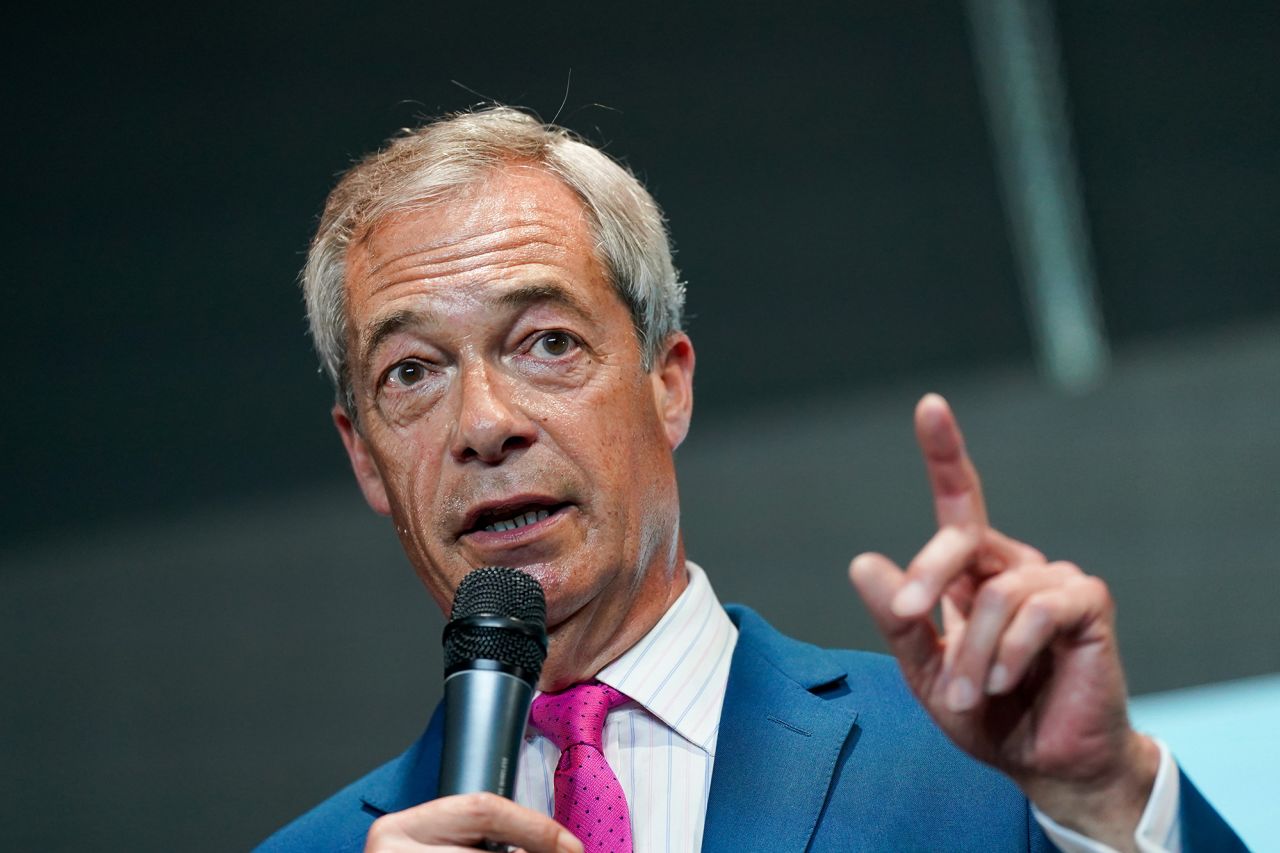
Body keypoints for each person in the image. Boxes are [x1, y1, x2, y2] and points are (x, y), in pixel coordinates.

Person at [257, 107, 1242, 853]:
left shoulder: (977, 768)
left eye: (545, 342)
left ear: (667, 383)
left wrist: (1104, 799)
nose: (482, 423)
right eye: (411, 373)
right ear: (363, 455)